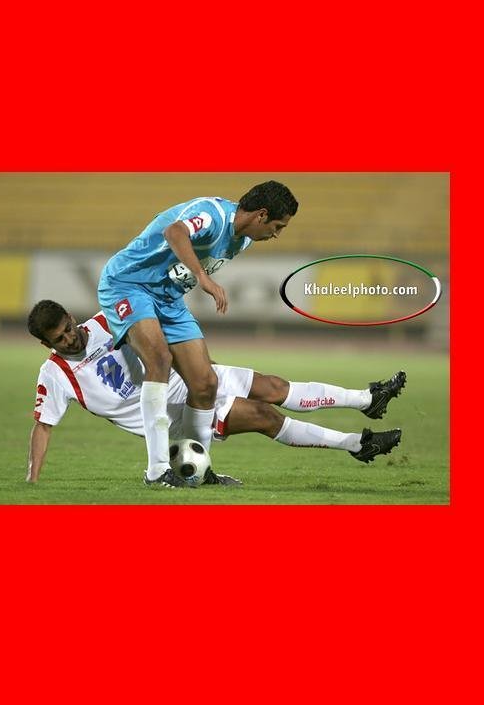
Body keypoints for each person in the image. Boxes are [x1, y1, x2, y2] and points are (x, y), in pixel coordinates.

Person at [25, 301, 406, 486]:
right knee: (264, 417)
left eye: (69, 328)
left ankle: (368, 399)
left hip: (192, 378)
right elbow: (43, 427)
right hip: (180, 413)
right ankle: (357, 444)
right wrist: (32, 483)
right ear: (47, 344)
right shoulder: (54, 375)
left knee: (274, 386)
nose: (70, 338)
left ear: (71, 318)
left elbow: (162, 341)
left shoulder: (108, 321)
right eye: (59, 339)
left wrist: (203, 368)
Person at [98, 180, 299, 487]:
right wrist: (203, 277)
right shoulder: (211, 214)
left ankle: (198, 472)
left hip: (168, 299)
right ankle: (156, 470)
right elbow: (174, 232)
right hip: (129, 285)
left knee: (205, 383)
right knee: (159, 359)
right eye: (278, 226)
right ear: (261, 215)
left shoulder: (242, 241)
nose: (276, 234)